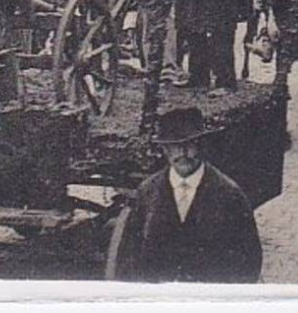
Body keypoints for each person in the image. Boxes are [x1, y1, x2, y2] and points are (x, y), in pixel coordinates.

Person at [111, 107, 263, 284]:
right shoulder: (147, 192)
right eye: (174, 146)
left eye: (189, 144)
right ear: (164, 149)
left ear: (201, 145)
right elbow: (128, 257)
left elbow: (248, 262)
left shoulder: (229, 195)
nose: (182, 153)